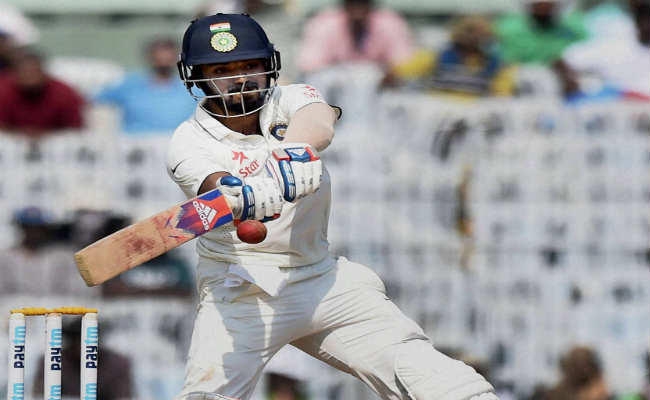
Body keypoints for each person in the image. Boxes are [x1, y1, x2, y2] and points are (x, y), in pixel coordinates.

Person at [167, 13, 498, 400]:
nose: (239, 79)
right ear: (197, 77)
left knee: (436, 378)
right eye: (221, 70)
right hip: (240, 290)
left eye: (249, 66)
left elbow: (318, 119)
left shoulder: (289, 98)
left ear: (269, 65)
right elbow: (211, 184)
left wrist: (293, 152)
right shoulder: (188, 141)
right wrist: (242, 196)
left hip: (321, 279)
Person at [295, 0, 415, 86]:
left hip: (378, 92)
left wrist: (385, 76)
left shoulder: (390, 22)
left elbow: (404, 63)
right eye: (353, 2)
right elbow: (309, 65)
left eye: (362, 2)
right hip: (336, 91)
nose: (358, 8)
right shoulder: (325, 23)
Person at [94, 37, 195, 134]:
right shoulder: (130, 85)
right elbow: (95, 99)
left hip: (177, 141)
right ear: (150, 57)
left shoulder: (192, 88)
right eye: (159, 57)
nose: (163, 60)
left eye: (168, 57)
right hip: (137, 141)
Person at [555, 0, 650, 102]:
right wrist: (570, 81)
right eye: (644, 19)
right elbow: (562, 61)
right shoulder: (615, 46)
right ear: (637, 21)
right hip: (620, 105)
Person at [0, 50, 85, 136]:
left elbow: (75, 127)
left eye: (34, 72)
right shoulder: (4, 91)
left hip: (55, 139)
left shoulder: (64, 93)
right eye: (25, 72)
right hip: (11, 138)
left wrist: (45, 133)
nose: (30, 77)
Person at [495, 0, 588, 65]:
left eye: (548, 6)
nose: (543, 9)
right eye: (539, 6)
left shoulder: (574, 28)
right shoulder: (508, 29)